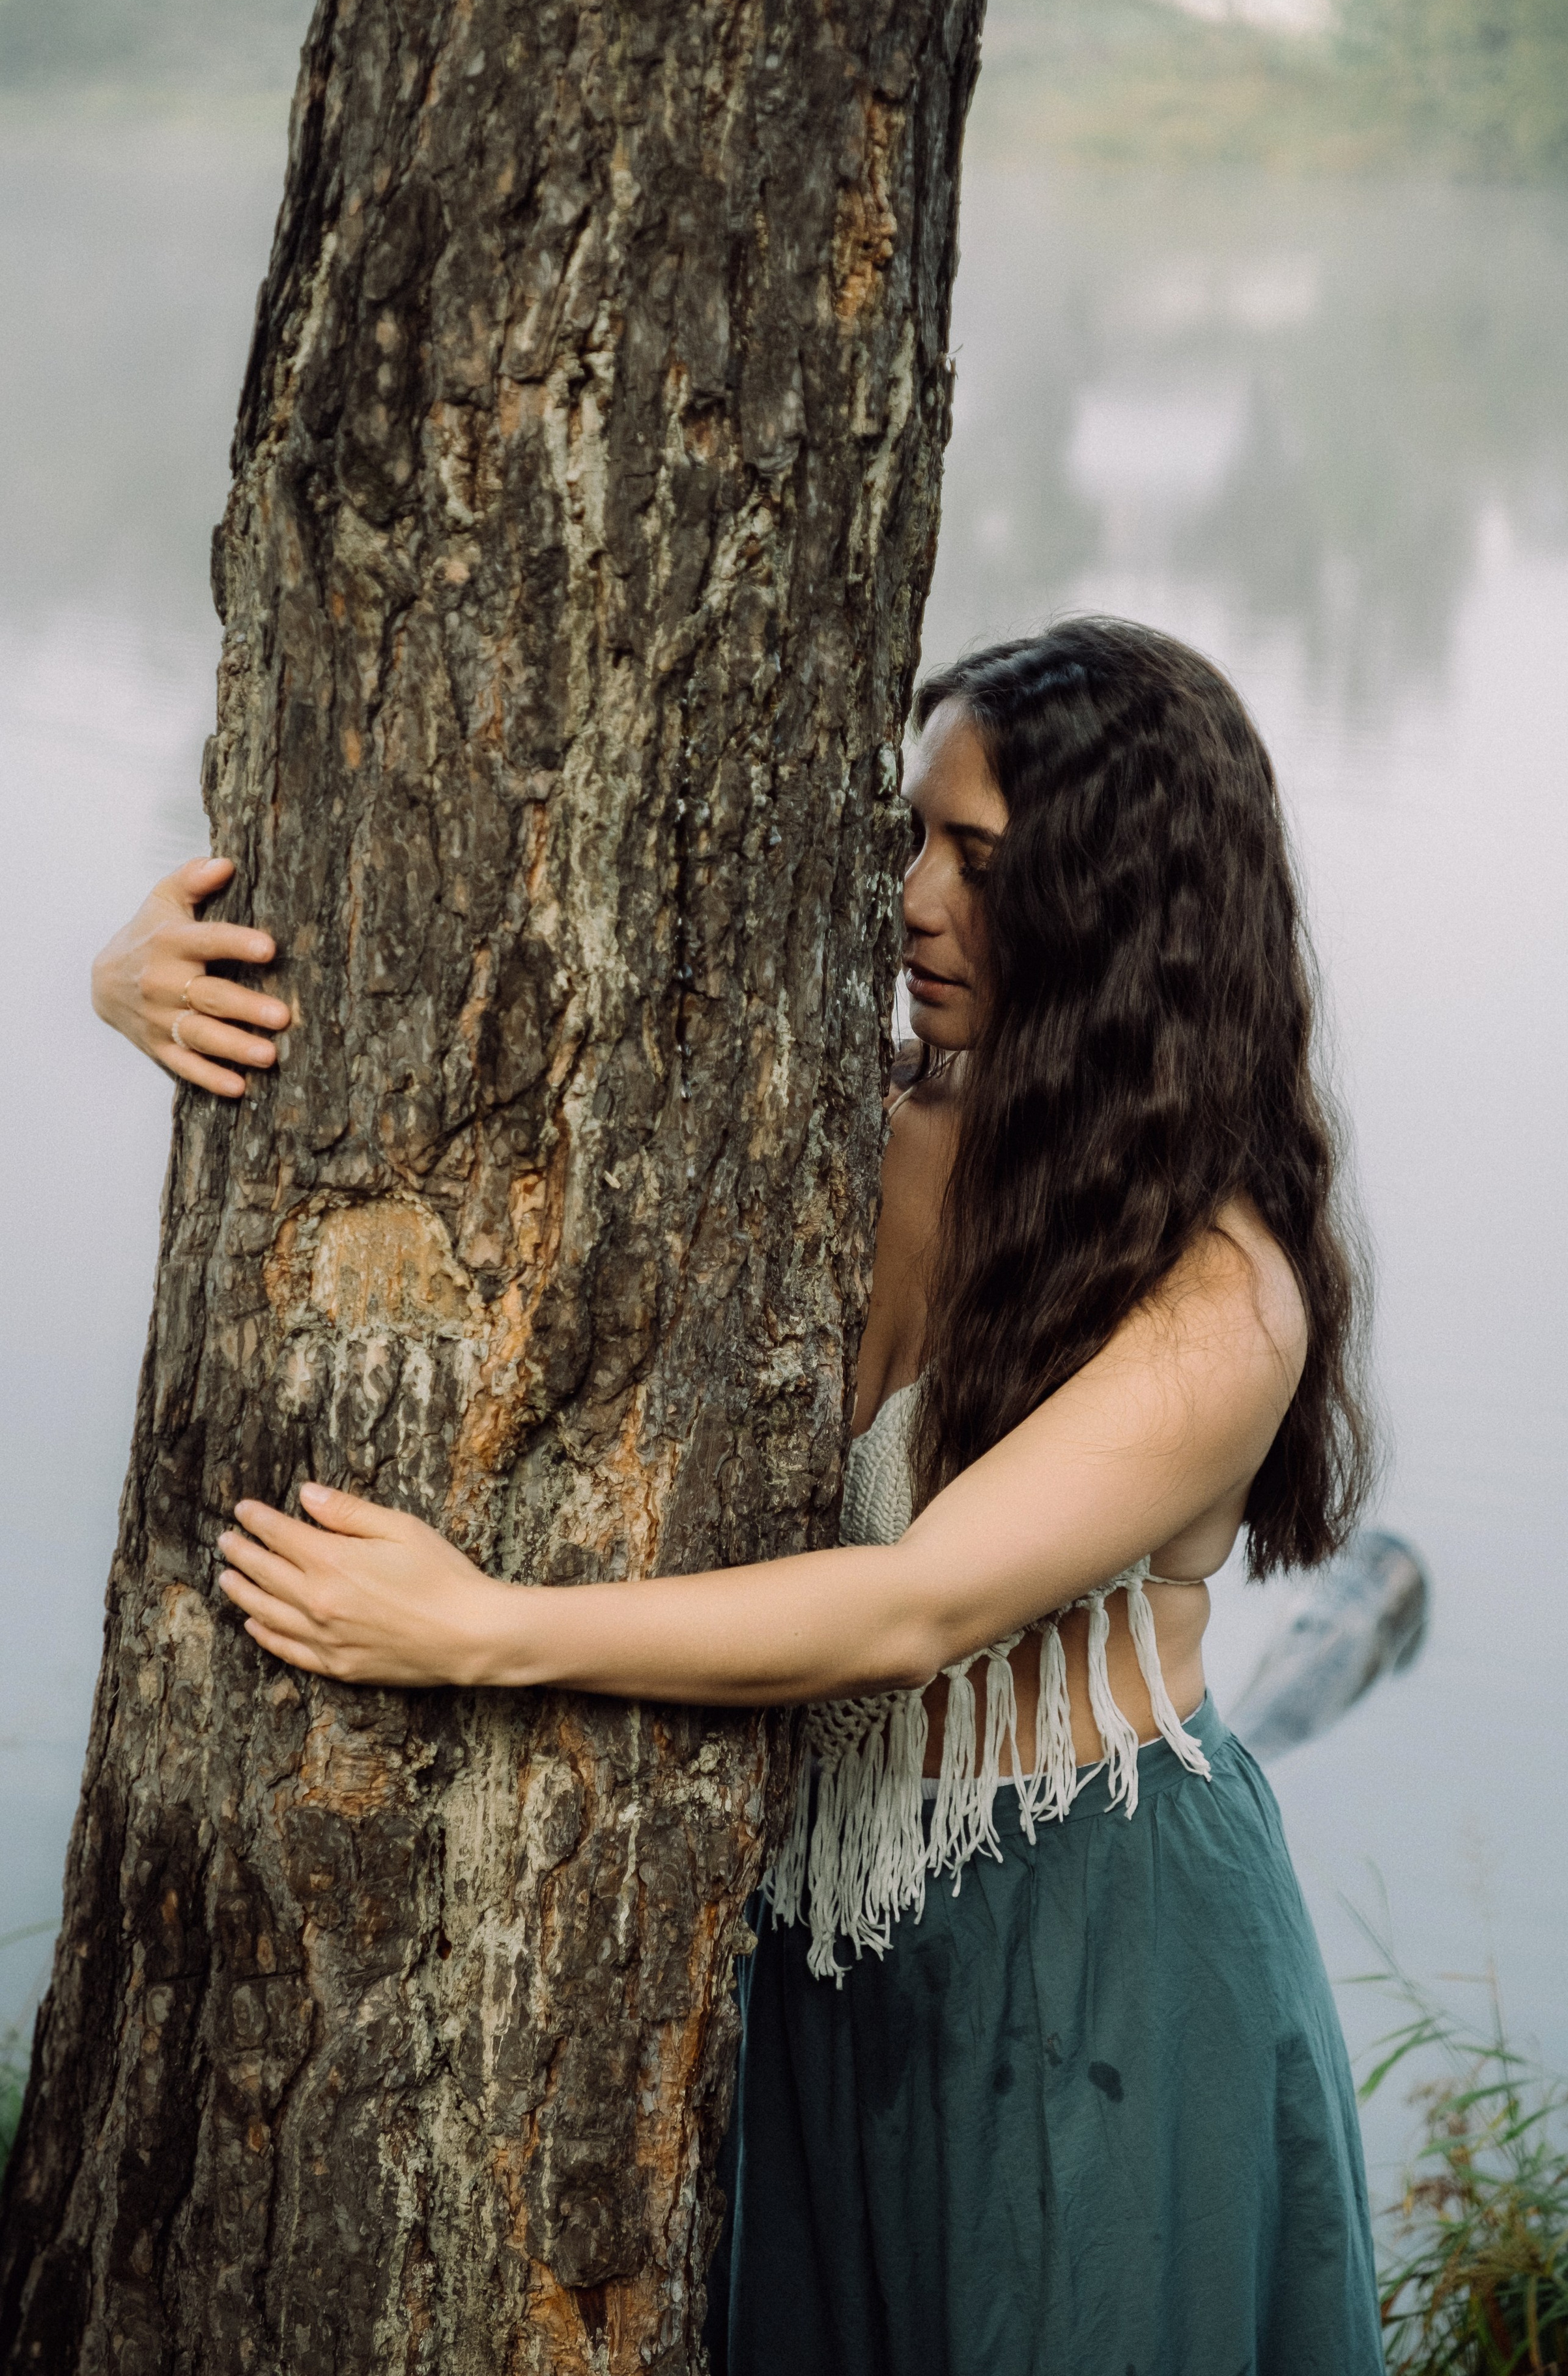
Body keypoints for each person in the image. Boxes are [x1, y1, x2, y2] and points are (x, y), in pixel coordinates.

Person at [94, 618, 1384, 2373]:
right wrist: (153, 974)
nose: (916, 900)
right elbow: (493, 1075)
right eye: (911, 841)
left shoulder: (1219, 1298)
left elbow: (915, 1609)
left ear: (1118, 910)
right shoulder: (832, 1131)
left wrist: (479, 1631)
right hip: (824, 1948)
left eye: (981, 864)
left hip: (1098, 1963)